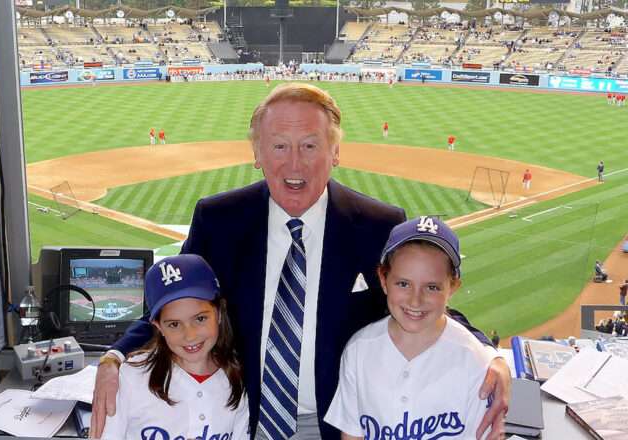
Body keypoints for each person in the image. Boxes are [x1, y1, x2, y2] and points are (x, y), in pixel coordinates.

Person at [91, 83, 510, 440]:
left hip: (336, 423)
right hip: (240, 418)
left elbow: (420, 298)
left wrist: (488, 353)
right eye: (279, 146)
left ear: (335, 151)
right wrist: (114, 357)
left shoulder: (375, 223)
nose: (294, 164)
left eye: (310, 145)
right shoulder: (219, 219)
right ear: (257, 153)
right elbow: (170, 302)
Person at [324, 216, 496, 440]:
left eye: (432, 287)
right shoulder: (359, 350)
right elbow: (352, 434)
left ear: (452, 287)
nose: (416, 301)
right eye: (403, 284)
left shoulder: (474, 362)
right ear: (383, 280)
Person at [100, 254, 249, 439]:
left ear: (219, 313)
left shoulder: (237, 378)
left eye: (200, 318)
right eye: (174, 324)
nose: (190, 335)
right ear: (158, 326)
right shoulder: (130, 377)